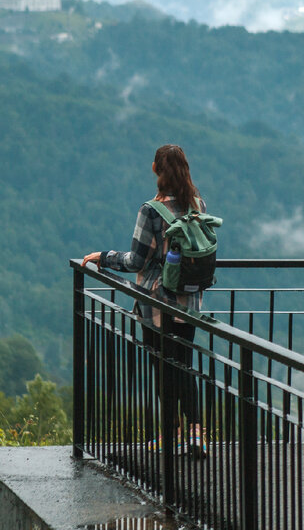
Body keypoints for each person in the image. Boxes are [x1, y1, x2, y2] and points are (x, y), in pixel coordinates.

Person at [83, 143, 208, 458]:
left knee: (162, 368)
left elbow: (137, 261)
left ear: (155, 170)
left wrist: (105, 257)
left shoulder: (150, 210)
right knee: (184, 366)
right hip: (190, 302)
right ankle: (196, 435)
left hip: (156, 302)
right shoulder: (198, 205)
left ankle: (171, 434)